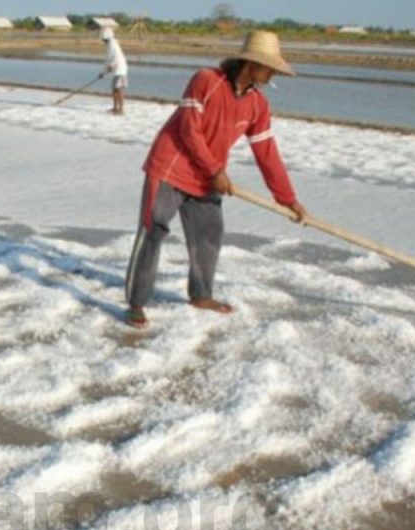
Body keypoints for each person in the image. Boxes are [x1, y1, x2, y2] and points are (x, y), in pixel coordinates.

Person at [124, 30, 307, 328]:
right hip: (171, 168)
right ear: (252, 64)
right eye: (270, 66)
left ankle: (201, 295)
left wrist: (288, 199)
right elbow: (188, 129)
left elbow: (267, 153)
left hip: (207, 179)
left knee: (208, 237)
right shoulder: (206, 80)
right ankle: (136, 303)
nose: (274, 73)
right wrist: (215, 170)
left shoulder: (258, 105)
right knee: (153, 230)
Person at [99, 28, 128, 115]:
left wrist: (110, 67)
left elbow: (115, 58)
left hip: (120, 71)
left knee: (118, 90)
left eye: (104, 39)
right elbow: (108, 60)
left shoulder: (113, 44)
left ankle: (121, 109)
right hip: (117, 71)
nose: (103, 41)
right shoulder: (110, 45)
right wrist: (103, 72)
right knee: (114, 90)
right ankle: (115, 108)